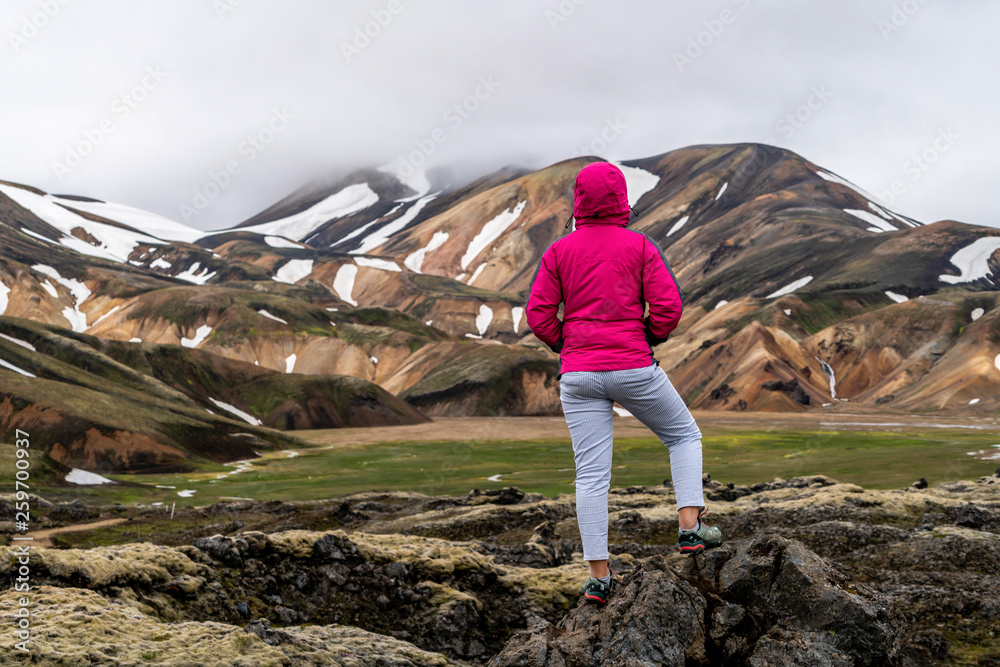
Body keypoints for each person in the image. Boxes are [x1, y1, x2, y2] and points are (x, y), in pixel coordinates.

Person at [525, 161, 722, 606]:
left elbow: (538, 315)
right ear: (621, 200)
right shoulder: (640, 247)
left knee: (591, 476)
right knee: (683, 435)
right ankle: (690, 528)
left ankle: (599, 577)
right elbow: (669, 306)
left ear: (578, 201)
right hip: (633, 366)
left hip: (578, 375)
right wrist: (645, 337)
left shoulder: (558, 252)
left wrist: (570, 346)